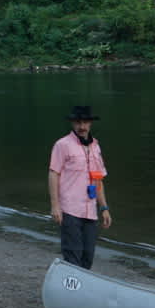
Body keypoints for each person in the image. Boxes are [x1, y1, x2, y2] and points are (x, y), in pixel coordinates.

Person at [48, 104, 111, 269]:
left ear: (90, 123)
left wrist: (104, 207)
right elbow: (53, 174)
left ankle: (79, 284)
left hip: (90, 211)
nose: (81, 126)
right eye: (78, 122)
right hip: (70, 209)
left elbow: (98, 180)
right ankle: (69, 284)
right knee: (72, 255)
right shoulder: (62, 145)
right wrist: (55, 205)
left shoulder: (95, 147)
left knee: (88, 256)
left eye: (85, 122)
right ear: (72, 123)